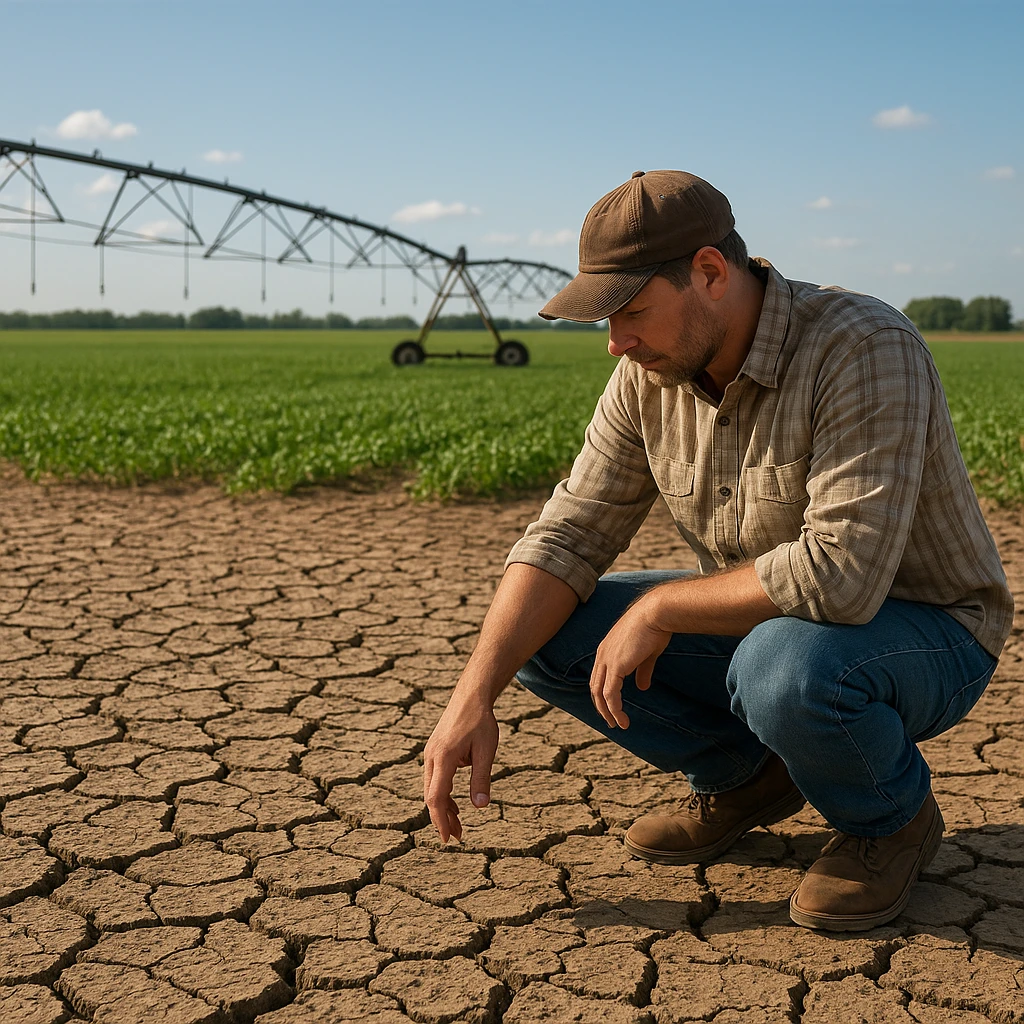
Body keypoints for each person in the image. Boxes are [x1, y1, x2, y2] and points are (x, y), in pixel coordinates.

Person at [423, 169, 1013, 932]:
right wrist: (472, 696)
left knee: (780, 668)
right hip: (773, 624)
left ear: (709, 273)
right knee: (540, 634)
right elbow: (568, 533)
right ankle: (745, 777)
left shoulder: (863, 346)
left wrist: (662, 607)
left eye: (632, 312)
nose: (616, 343)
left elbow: (841, 576)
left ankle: (889, 821)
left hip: (926, 630)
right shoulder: (646, 376)